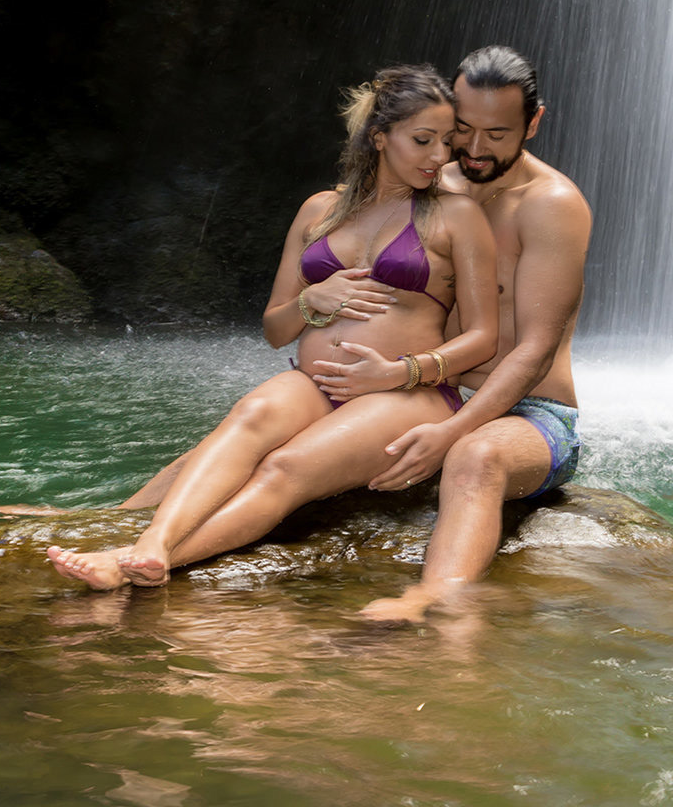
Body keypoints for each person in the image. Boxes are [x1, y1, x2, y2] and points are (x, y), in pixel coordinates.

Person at [85, 45, 592, 622]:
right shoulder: (429, 179)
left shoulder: (549, 205)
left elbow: (532, 350)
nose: (471, 149)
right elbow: (330, 268)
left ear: (534, 122)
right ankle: (114, 525)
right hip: (406, 385)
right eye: (461, 131)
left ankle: (434, 600)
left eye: (496, 135)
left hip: (521, 407)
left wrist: (443, 422)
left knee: (473, 456)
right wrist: (319, 307)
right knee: (250, 423)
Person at [45, 64, 498, 589]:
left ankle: (133, 565)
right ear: (379, 137)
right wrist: (311, 300)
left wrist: (400, 373)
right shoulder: (319, 210)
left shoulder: (456, 216)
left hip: (407, 393)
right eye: (423, 140)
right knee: (251, 414)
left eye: (446, 141)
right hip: (317, 384)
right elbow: (275, 330)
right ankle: (153, 542)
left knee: (286, 465)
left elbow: (484, 337)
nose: (440, 156)